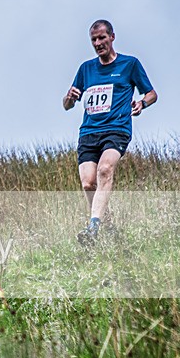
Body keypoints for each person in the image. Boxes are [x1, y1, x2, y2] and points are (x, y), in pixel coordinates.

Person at [63, 19, 157, 245]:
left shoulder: (129, 64)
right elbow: (67, 105)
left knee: (105, 169)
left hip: (117, 129)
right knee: (88, 184)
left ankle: (93, 227)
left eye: (102, 38)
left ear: (112, 37)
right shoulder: (86, 69)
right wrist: (69, 97)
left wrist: (142, 104)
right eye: (94, 40)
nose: (98, 43)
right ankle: (109, 228)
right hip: (89, 133)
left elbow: (152, 93)